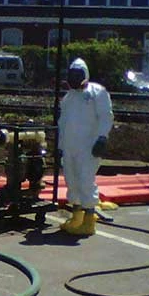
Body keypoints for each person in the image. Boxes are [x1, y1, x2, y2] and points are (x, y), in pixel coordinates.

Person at [57, 58, 114, 236]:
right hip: (69, 147)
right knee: (72, 180)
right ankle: (77, 216)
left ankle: (89, 220)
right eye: (71, 75)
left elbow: (106, 116)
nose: (74, 78)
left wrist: (102, 138)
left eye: (77, 75)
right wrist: (59, 147)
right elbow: (62, 123)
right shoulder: (68, 98)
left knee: (85, 181)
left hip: (88, 147)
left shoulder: (97, 92)